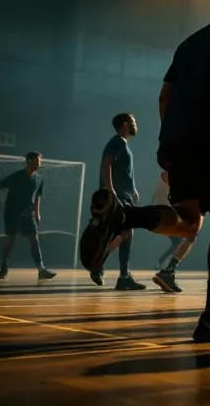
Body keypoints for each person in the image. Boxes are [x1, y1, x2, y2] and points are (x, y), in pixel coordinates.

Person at [79, 0, 210, 342]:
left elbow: (165, 96)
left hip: (178, 139)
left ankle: (124, 216)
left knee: (189, 223)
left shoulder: (188, 43)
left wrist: (168, 140)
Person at [89, 113, 146, 291]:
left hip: (125, 195)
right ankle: (116, 272)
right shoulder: (118, 142)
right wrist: (111, 190)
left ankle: (120, 274)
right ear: (125, 124)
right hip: (119, 196)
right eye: (134, 121)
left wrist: (133, 189)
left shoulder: (123, 144)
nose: (136, 124)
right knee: (125, 233)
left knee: (122, 234)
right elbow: (106, 164)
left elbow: (122, 170)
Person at [0, 152, 56, 280]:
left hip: (28, 213)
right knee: (11, 240)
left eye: (40, 161)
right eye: (37, 161)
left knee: (34, 239)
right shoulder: (16, 177)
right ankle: (4, 264)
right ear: (29, 162)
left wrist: (37, 213)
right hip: (12, 211)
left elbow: (38, 197)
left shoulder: (39, 179)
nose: (39, 164)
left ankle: (41, 269)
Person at [152, 169, 197, 293]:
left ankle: (168, 269)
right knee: (189, 236)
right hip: (166, 214)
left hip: (164, 213)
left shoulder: (166, 177)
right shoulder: (167, 176)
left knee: (187, 238)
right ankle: (166, 268)